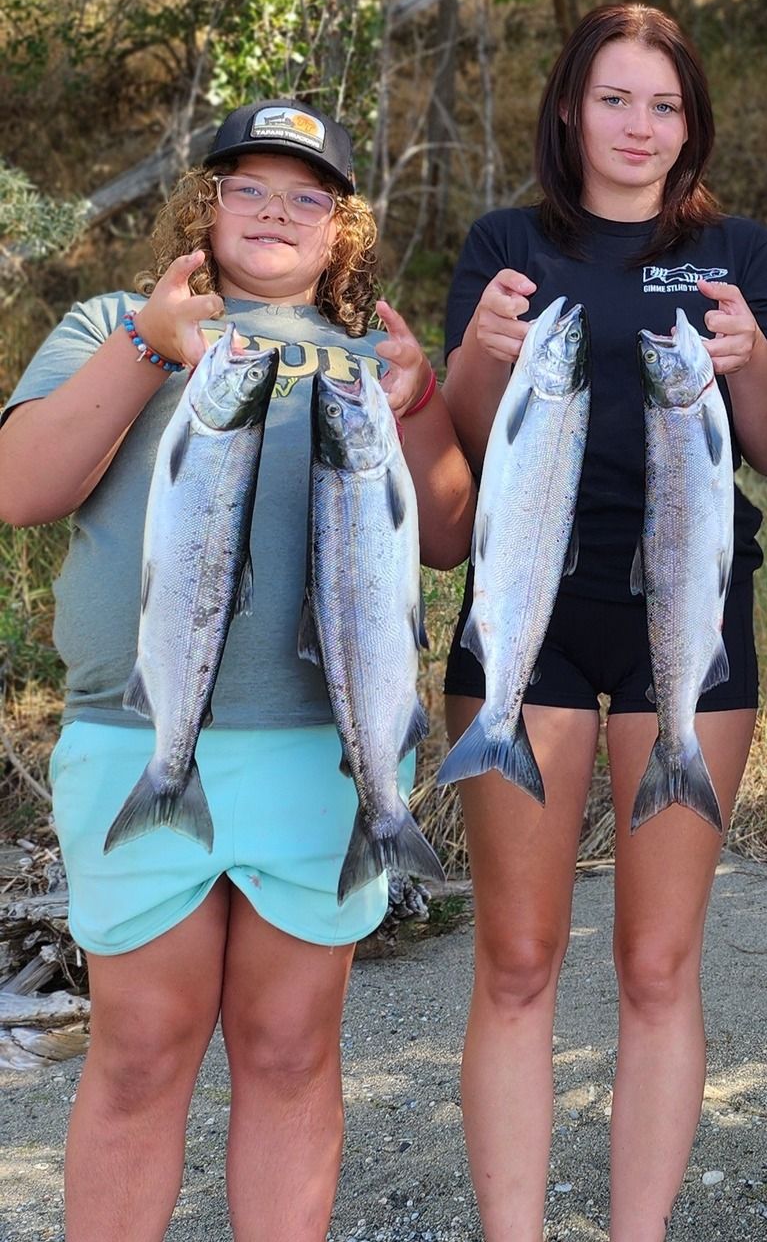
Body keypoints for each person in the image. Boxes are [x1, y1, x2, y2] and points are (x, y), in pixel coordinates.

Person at [0, 99, 472, 1239]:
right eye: (246, 187)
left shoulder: (373, 361)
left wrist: (416, 409)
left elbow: (450, 532)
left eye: (305, 194)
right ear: (203, 205)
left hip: (325, 749)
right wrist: (150, 347)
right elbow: (20, 488)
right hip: (137, 733)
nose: (274, 211)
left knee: (289, 1047)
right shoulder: (116, 321)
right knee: (142, 1050)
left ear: (341, 226)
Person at [438, 2, 767, 1240]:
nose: (638, 126)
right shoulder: (504, 243)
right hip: (527, 616)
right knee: (520, 958)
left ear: (690, 123)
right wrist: (479, 357)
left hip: (689, 625)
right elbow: (467, 441)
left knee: (655, 965)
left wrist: (754, 361)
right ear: (567, 109)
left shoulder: (738, 255)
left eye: (664, 104)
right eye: (613, 98)